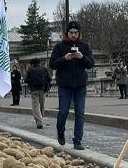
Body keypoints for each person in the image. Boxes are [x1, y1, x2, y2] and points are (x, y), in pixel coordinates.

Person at [49, 21, 94, 149]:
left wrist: (82, 57)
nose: (73, 35)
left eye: (76, 33)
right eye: (71, 33)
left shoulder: (84, 47)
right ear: (67, 34)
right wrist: (65, 58)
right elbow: (52, 64)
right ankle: (60, 131)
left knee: (80, 113)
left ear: (79, 34)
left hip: (80, 85)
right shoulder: (59, 47)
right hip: (64, 85)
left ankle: (77, 140)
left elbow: (91, 64)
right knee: (63, 111)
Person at [25, 59, 50, 129]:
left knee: (35, 106)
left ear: (32, 64)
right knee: (42, 104)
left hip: (34, 90)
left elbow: (26, 80)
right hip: (42, 90)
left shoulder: (30, 70)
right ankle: (41, 116)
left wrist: (31, 84)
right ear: (39, 63)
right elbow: (49, 79)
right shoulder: (44, 69)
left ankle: (39, 121)